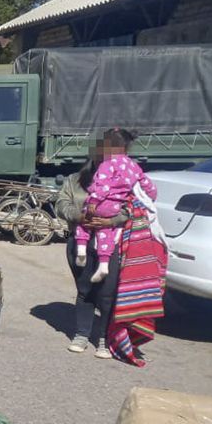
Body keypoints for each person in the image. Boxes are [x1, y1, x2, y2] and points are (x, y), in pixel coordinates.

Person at [54, 129, 132, 358]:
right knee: (85, 290)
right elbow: (61, 204)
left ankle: (104, 340)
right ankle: (81, 334)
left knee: (107, 293)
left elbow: (131, 210)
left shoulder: (124, 182)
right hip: (80, 242)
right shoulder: (75, 180)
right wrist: (79, 216)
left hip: (110, 244)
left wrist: (110, 219)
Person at [73, 128, 156, 283]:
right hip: (114, 208)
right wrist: (152, 197)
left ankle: (81, 250)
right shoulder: (133, 166)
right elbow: (148, 184)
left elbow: (103, 186)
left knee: (83, 224)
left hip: (101, 204)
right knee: (105, 232)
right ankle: (104, 264)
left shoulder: (108, 163)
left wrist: (94, 201)